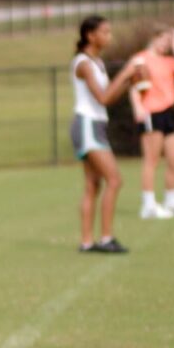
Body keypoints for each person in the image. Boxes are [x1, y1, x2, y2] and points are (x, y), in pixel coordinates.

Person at [69, 16, 140, 253]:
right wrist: (126, 72)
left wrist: (129, 82)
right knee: (114, 180)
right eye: (105, 32)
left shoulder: (97, 63)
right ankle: (106, 238)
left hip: (95, 124)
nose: (109, 37)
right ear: (91, 35)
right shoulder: (84, 64)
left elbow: (107, 98)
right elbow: (103, 98)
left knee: (92, 185)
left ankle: (87, 243)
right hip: (87, 125)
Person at [129, 25, 174, 219]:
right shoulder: (141, 59)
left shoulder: (167, 61)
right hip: (151, 112)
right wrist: (138, 107)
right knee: (152, 160)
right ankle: (148, 205)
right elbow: (134, 85)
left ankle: (171, 201)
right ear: (154, 38)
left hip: (167, 112)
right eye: (165, 40)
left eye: (169, 41)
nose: (167, 44)